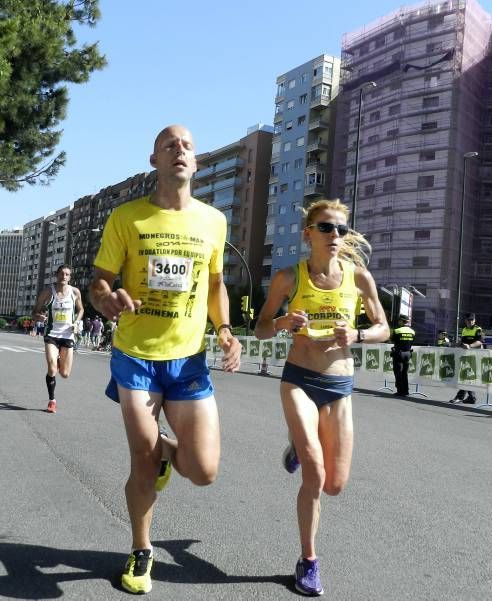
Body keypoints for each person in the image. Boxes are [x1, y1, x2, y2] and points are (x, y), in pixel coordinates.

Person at [90, 125, 242, 595]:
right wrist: (106, 298)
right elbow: (98, 281)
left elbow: (216, 283)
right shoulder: (126, 217)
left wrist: (224, 329)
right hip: (136, 355)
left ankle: (167, 456)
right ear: (154, 160)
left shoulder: (214, 221)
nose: (180, 150)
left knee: (203, 471)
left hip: (189, 358)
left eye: (188, 146)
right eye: (169, 145)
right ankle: (141, 548)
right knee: (141, 461)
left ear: (195, 164)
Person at [255, 198, 389, 596]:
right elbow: (260, 328)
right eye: (327, 228)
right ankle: (308, 561)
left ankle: (299, 444)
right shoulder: (288, 278)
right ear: (308, 233)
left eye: (341, 230)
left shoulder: (359, 278)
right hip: (298, 379)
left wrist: (359, 335)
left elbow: (383, 326)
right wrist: (281, 322)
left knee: (334, 485)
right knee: (314, 474)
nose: (335, 236)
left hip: (338, 387)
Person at [33, 264, 84, 414]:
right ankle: (52, 401)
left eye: (67, 274)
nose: (64, 276)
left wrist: (76, 322)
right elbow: (35, 311)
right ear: (57, 275)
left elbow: (81, 309)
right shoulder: (48, 292)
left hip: (68, 335)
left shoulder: (75, 292)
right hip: (52, 334)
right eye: (61, 273)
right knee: (52, 368)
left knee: (65, 374)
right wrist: (39, 316)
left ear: (70, 277)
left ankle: (60, 360)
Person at [450, 313, 484, 404]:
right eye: (468, 320)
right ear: (465, 321)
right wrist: (456, 344)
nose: (470, 322)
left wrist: (470, 346)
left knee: (465, 376)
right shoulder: (464, 330)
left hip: (474, 356)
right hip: (465, 356)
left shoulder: (478, 329)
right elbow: (462, 341)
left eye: (472, 320)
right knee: (466, 377)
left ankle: (460, 397)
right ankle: (471, 398)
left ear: (474, 320)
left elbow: (480, 342)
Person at [390, 315, 416, 397]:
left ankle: (400, 391)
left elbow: (393, 340)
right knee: (405, 373)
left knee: (398, 372)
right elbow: (412, 342)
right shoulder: (412, 331)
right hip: (408, 353)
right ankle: (406, 391)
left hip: (399, 353)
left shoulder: (397, 330)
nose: (398, 322)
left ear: (401, 321)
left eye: (399, 320)